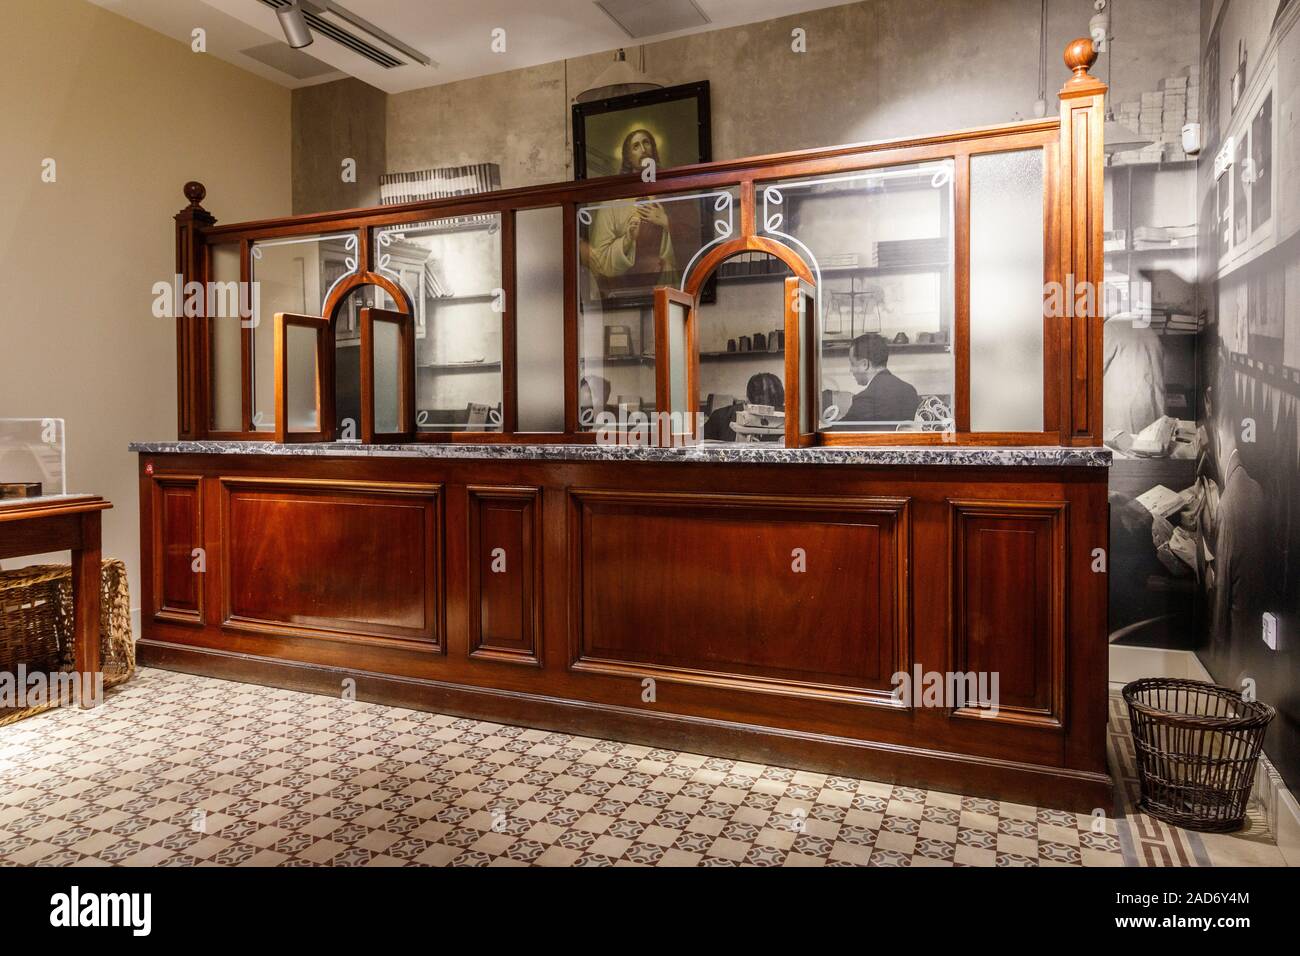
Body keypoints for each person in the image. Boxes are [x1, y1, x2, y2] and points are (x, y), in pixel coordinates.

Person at [586, 130, 676, 295]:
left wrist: (666, 222)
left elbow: (694, 240)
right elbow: (599, 258)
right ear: (628, 157)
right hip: (624, 289)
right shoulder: (612, 202)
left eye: (646, 143)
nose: (643, 149)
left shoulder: (671, 193)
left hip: (665, 285)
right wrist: (626, 240)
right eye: (636, 146)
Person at [842, 333, 919, 428]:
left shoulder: (865, 398)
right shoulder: (910, 390)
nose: (851, 370)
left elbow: (836, 434)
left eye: (852, 364)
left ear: (864, 365)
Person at [703, 372, 784, 442]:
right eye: (760, 409)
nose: (765, 416)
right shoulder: (720, 417)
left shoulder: (786, 419)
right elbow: (697, 446)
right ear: (747, 402)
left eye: (772, 410)